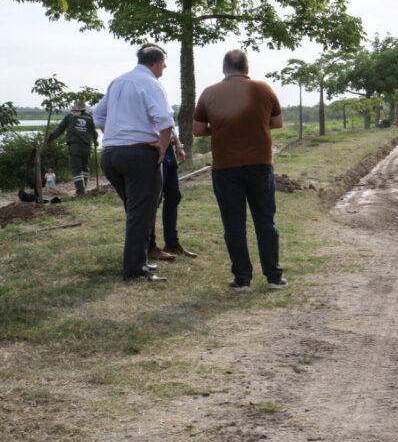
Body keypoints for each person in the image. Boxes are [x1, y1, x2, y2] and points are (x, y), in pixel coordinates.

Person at [193, 50, 286, 291]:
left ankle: (242, 279)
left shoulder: (209, 93)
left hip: (225, 167)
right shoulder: (264, 89)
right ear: (247, 68)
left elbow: (197, 129)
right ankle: (274, 277)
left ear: (224, 69)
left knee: (234, 224)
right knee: (265, 221)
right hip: (260, 164)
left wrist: (223, 127)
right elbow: (277, 123)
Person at [93, 43, 175, 282]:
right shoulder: (151, 84)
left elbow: (98, 114)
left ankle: (140, 259)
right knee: (140, 213)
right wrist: (162, 147)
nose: (164, 69)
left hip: (111, 155)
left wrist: (115, 135)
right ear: (157, 63)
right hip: (139, 156)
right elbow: (164, 120)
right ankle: (135, 269)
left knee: (135, 210)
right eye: (164, 65)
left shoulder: (118, 82)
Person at [147, 131, 197, 261]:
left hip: (168, 148)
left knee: (174, 196)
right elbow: (100, 113)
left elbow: (168, 125)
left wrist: (179, 146)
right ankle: (150, 247)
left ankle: (172, 244)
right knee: (154, 199)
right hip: (154, 149)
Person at [47, 99, 98, 196]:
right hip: (87, 148)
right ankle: (83, 188)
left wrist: (48, 140)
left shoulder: (69, 117)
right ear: (84, 109)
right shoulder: (89, 118)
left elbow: (59, 130)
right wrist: (95, 142)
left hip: (75, 147)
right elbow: (94, 133)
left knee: (76, 170)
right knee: (85, 168)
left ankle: (80, 192)